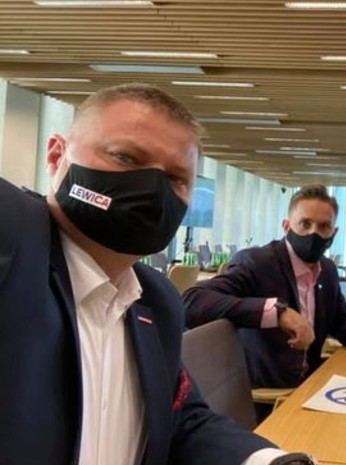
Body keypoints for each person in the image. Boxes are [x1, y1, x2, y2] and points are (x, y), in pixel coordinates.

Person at [0, 83, 315, 465]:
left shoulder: (156, 301)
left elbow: (182, 420)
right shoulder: (14, 235)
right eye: (125, 157)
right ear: (56, 156)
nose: (152, 189)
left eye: (176, 179)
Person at [183, 184, 346, 393]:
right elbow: (191, 301)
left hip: (310, 385)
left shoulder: (327, 269)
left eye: (324, 226)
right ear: (286, 226)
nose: (314, 233)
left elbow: (340, 319)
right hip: (268, 394)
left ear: (334, 233)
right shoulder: (257, 263)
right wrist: (277, 312)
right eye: (305, 224)